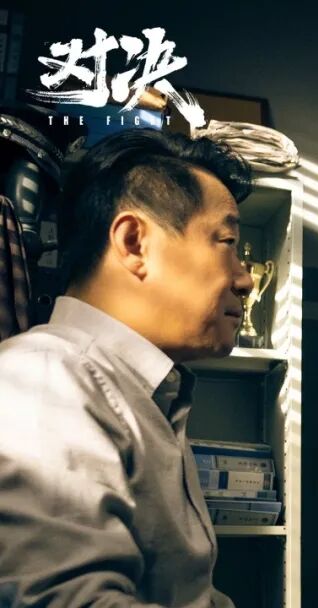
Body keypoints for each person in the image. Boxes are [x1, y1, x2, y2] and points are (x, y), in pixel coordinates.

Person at [0, 129, 253, 606]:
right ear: (134, 243)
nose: (244, 279)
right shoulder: (45, 379)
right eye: (227, 241)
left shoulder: (143, 396)